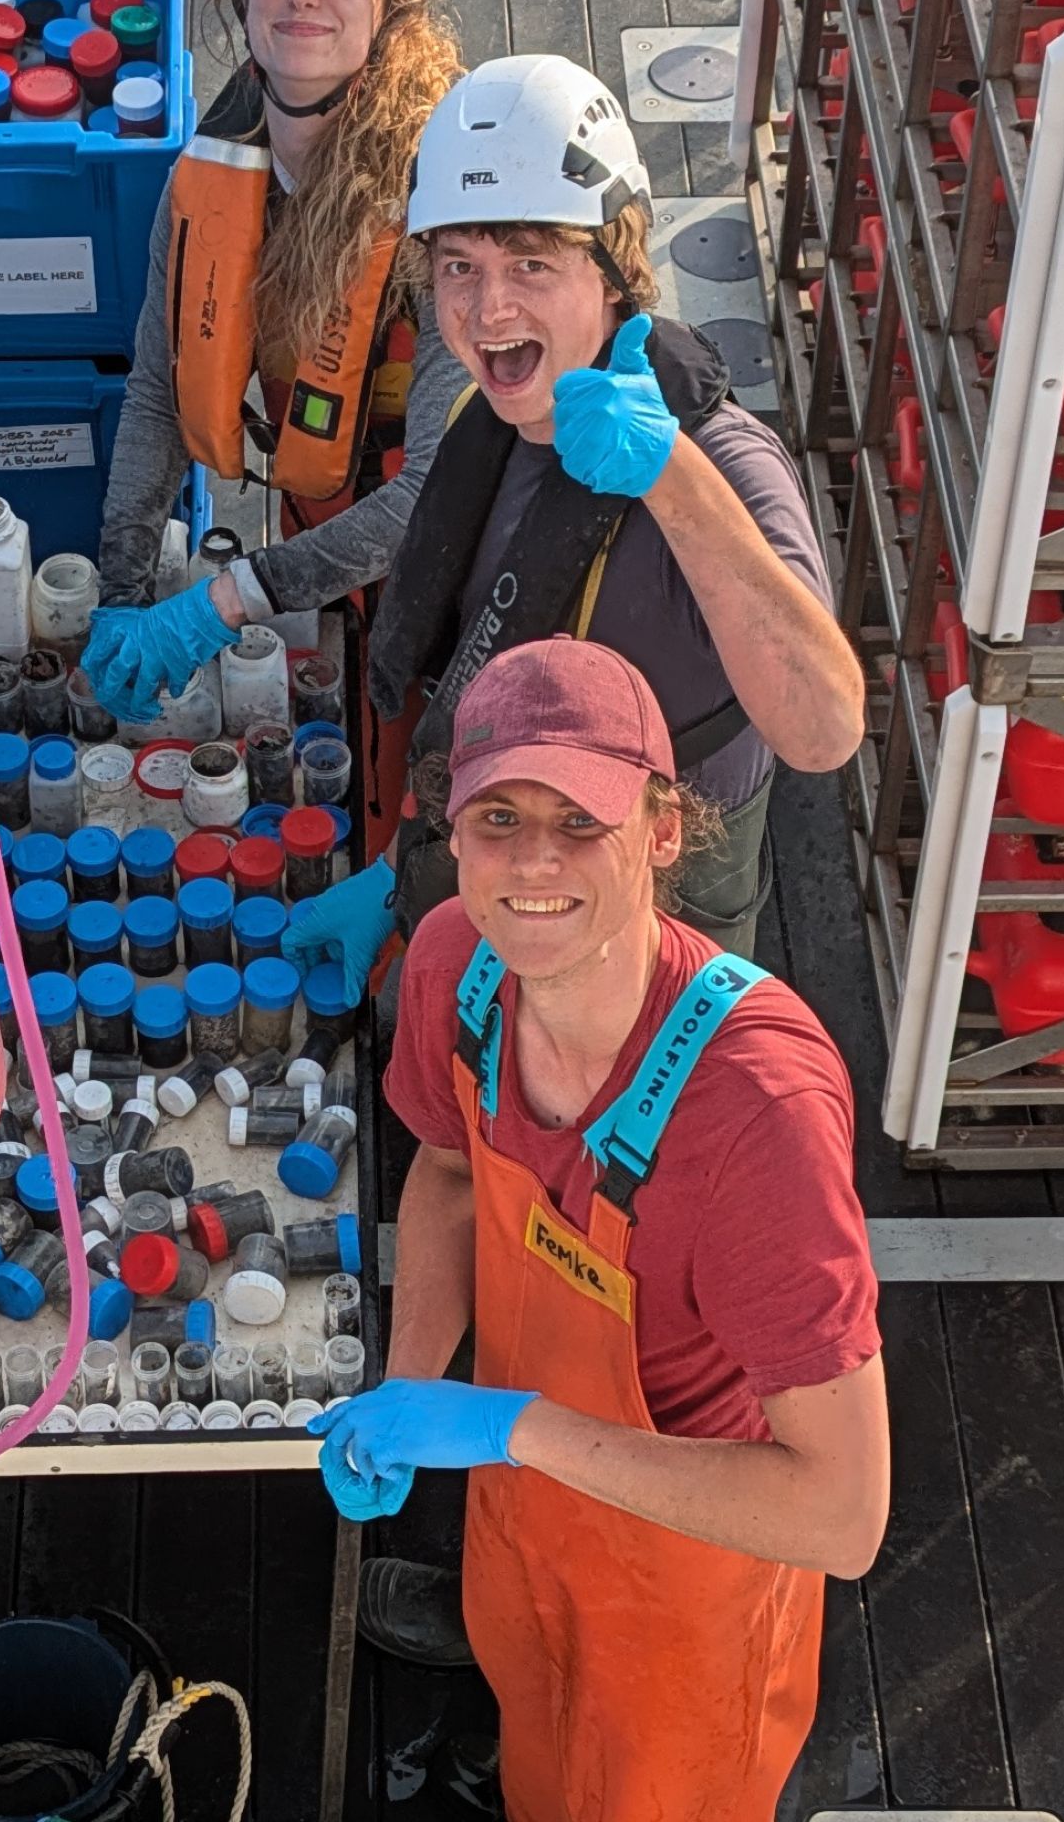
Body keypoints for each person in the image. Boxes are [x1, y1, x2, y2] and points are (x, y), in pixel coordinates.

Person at [309, 637, 887, 1822]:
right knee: (534, 1731)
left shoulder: (757, 1114)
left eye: (583, 821)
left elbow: (840, 1515)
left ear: (666, 831)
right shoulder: (454, 968)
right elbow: (450, 1176)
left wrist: (510, 1421)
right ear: (450, 830)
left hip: (688, 1584)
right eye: (499, 816)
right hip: (523, 1507)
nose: (534, 862)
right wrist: (420, 1391)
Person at [284, 54, 866, 983]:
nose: (488, 308)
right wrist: (402, 874)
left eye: (531, 263)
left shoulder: (726, 464)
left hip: (668, 904)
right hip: (514, 851)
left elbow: (824, 729)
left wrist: (668, 475)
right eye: (458, 267)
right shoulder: (494, 426)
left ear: (615, 271)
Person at [83, 0, 472, 723]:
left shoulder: (448, 200)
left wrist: (225, 604)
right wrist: (121, 587)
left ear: (397, 7)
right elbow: (156, 391)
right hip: (322, 537)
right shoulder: (217, 168)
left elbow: (435, 494)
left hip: (458, 563)